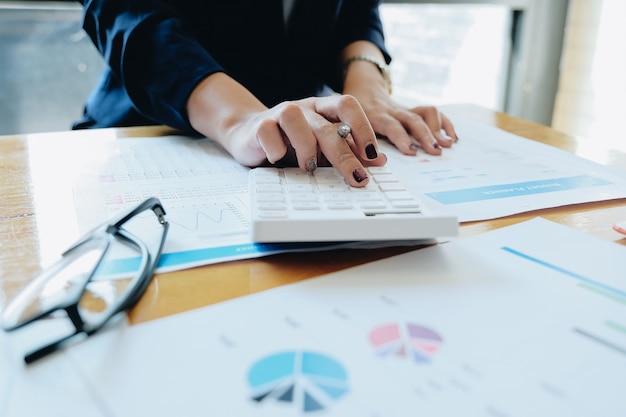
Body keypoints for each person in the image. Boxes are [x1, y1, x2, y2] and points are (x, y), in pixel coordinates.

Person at [75, 0, 458, 187]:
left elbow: (356, 13)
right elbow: (126, 11)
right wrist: (240, 118)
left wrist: (368, 84)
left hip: (301, 140)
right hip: (148, 136)